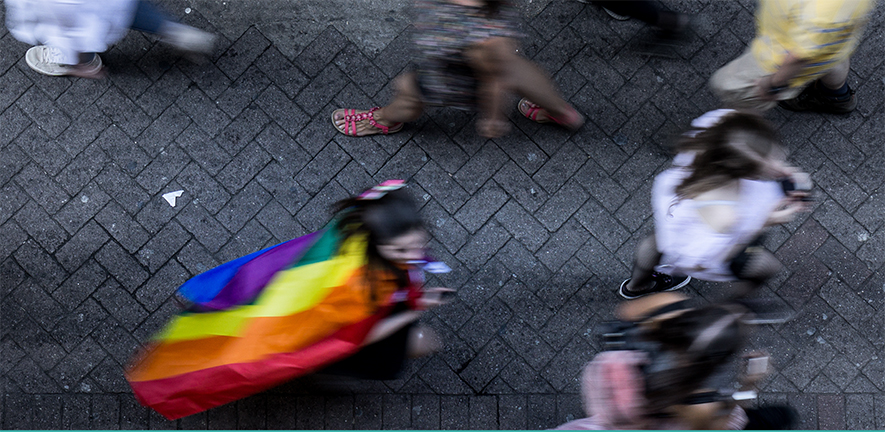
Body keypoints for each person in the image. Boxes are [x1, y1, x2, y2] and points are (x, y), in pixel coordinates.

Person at [126, 180, 452, 420]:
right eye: (401, 251)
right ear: (375, 245)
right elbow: (359, 335)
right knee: (420, 343)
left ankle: (326, 373)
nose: (413, 256)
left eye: (417, 245)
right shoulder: (357, 283)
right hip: (349, 329)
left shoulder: (354, 238)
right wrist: (412, 311)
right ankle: (326, 375)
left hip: (355, 313)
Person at [619, 109, 810, 300]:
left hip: (676, 217)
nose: (779, 159)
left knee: (655, 243)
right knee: (766, 268)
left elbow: (735, 131)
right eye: (770, 158)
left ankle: (636, 286)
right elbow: (702, 262)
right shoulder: (726, 215)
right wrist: (763, 223)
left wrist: (768, 165)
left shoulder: (712, 132)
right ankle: (727, 309)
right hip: (700, 248)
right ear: (745, 172)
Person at [331, 0, 584, 139]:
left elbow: (494, 79)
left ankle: (383, 120)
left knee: (410, 90)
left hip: (453, 75)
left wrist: (494, 118)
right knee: (518, 71)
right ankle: (562, 113)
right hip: (481, 58)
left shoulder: (480, 33)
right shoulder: (487, 13)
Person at [555, 293, 798, 430]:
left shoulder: (667, 305)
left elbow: (625, 311)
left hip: (610, 407)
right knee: (783, 417)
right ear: (721, 360)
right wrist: (749, 385)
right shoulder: (700, 403)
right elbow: (725, 427)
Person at [709, 0, 874, 113]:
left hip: (778, 57)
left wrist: (772, 85)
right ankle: (836, 96)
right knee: (831, 59)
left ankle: (736, 138)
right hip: (828, 46)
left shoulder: (824, 14)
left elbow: (802, 56)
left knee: (727, 84)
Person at [5, 0, 215, 79]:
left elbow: (64, 31)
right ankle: (180, 34)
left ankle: (85, 59)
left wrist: (80, 65)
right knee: (133, 11)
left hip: (86, 17)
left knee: (73, 34)